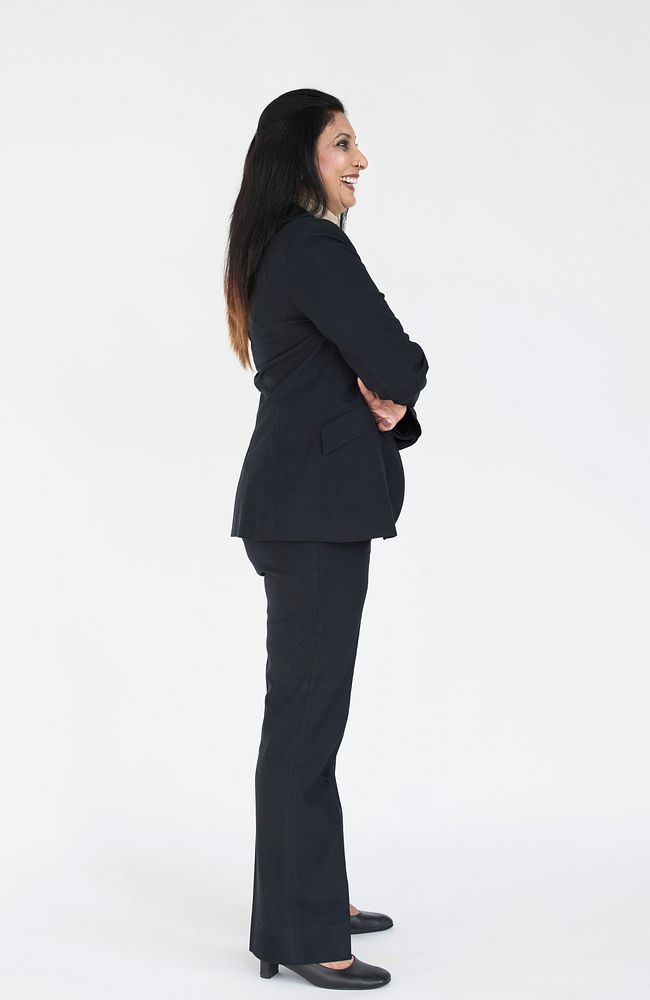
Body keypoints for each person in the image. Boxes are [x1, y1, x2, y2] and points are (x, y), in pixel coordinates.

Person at [224, 88, 429, 990]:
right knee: (306, 724)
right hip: (310, 515)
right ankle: (304, 931)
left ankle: (307, 897)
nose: (361, 159)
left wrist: (384, 398)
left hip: (301, 508)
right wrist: (387, 389)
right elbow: (400, 362)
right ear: (299, 157)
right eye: (342, 143)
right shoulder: (313, 247)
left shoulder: (282, 250)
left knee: (307, 721)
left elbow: (374, 379)